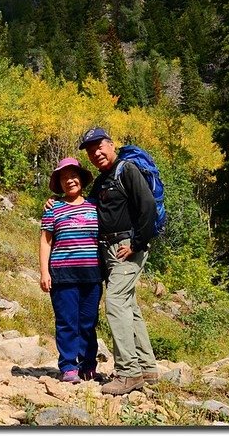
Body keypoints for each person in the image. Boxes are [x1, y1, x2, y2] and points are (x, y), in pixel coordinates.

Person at [76, 126, 159, 395]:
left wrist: (137, 244)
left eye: (99, 147)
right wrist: (56, 203)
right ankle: (146, 367)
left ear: (112, 145)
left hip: (126, 247)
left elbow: (147, 207)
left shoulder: (127, 170)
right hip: (109, 249)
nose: (96, 153)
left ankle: (128, 373)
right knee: (129, 305)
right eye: (91, 151)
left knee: (114, 302)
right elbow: (86, 207)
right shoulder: (102, 181)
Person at [39, 157, 103, 383]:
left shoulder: (96, 206)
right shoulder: (53, 208)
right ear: (59, 183)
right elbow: (46, 241)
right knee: (66, 322)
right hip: (62, 274)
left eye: (73, 176)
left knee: (87, 322)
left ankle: (88, 365)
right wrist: (44, 272)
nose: (70, 181)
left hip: (92, 274)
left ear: (81, 180)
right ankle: (68, 367)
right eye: (64, 178)